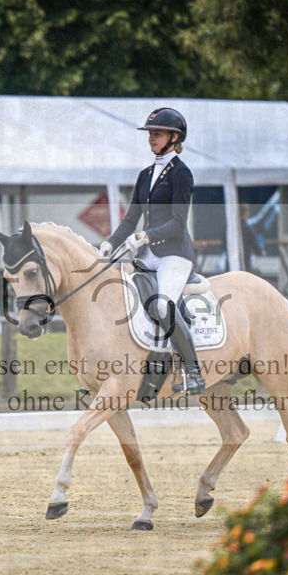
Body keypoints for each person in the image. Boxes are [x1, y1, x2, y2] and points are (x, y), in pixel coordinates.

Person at [100, 107, 205, 395]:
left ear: (174, 137)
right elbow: (130, 219)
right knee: (113, 294)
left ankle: (193, 372)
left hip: (174, 255)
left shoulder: (181, 174)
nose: (151, 139)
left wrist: (146, 236)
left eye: (157, 134)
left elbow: (178, 222)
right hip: (146, 256)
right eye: (150, 134)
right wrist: (110, 243)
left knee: (162, 307)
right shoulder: (145, 175)